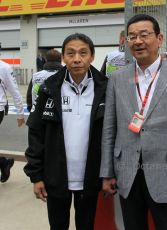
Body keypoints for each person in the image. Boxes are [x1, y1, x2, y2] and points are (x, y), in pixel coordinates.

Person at [100, 14, 167, 230]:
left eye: (144, 35)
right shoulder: (117, 79)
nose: (138, 41)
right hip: (127, 174)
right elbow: (109, 128)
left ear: (160, 38)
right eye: (132, 36)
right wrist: (107, 172)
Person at [24, 33, 108, 230]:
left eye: (83, 53)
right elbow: (35, 134)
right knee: (58, 226)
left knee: (87, 225)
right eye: (70, 53)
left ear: (92, 56)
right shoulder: (48, 88)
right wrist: (36, 176)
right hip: (56, 178)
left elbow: (113, 135)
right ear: (63, 57)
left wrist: (109, 173)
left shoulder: (106, 88)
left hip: (91, 178)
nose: (77, 59)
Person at [0, 57, 25, 183]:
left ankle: (4, 163)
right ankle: (3, 163)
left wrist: (20, 114)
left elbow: (15, 91)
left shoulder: (4, 67)